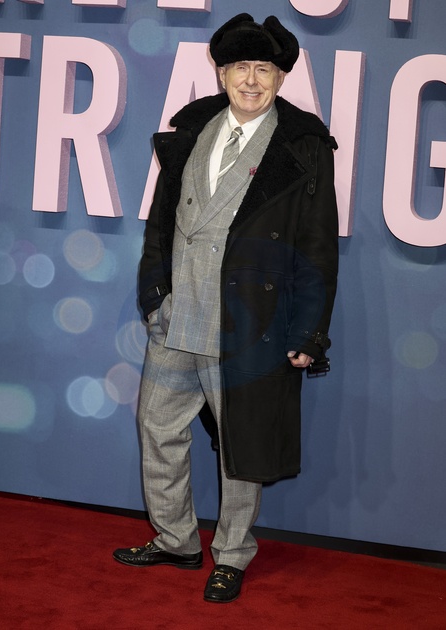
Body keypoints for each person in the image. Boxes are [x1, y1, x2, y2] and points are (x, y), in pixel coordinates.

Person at [113, 13, 338, 603]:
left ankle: (232, 554)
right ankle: (176, 539)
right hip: (177, 317)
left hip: (249, 323)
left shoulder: (305, 145)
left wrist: (309, 332)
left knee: (242, 444)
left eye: (264, 69)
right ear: (221, 73)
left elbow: (317, 244)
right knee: (157, 427)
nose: (252, 80)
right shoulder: (192, 128)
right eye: (241, 67)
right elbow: (161, 224)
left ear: (281, 78)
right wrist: (154, 295)